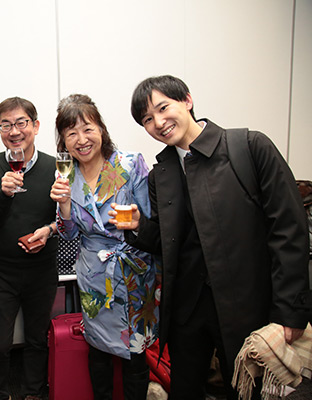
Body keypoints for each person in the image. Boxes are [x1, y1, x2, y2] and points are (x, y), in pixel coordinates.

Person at [113, 75, 310, 399]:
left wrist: (290, 310)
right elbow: (167, 244)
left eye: (163, 108)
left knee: (245, 389)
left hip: (246, 304)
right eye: (147, 119)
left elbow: (289, 230)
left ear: (187, 100)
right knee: (185, 389)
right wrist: (139, 226)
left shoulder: (249, 147)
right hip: (187, 309)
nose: (158, 123)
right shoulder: (161, 174)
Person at [50, 94, 159, 400]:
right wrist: (64, 206)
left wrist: (135, 223)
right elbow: (68, 234)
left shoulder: (129, 164)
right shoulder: (66, 174)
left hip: (133, 271)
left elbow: (151, 222)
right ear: (63, 140)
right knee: (98, 349)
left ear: (101, 129)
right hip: (95, 275)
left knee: (135, 352)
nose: (81, 140)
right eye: (71, 133)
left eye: (88, 129)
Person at [0, 97, 59, 400]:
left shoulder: (55, 166)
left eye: (21, 123)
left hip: (42, 269)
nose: (14, 131)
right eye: (6, 125)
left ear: (36, 126)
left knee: (37, 339)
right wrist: (2, 195)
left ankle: (33, 393)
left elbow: (66, 217)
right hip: (1, 270)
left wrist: (49, 231)